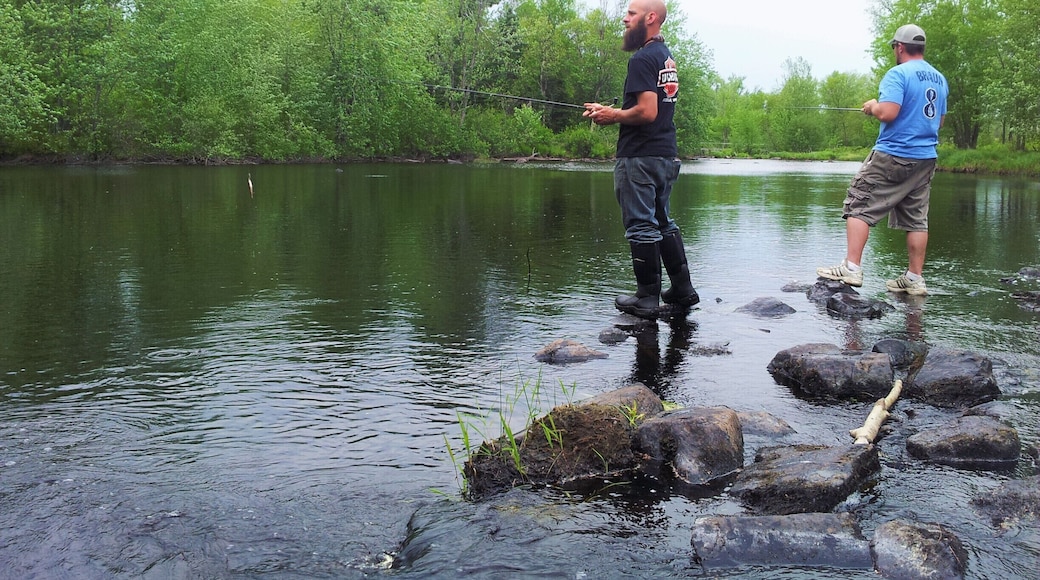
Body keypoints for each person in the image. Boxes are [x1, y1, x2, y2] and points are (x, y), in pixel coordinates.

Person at [583, 0, 698, 319]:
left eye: (631, 14)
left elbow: (648, 111)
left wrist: (612, 115)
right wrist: (612, 110)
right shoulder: (665, 57)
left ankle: (647, 298)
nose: (625, 19)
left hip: (640, 157)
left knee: (641, 226)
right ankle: (682, 289)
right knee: (662, 221)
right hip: (665, 154)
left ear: (650, 18)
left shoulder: (643, 59)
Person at [817, 24, 948, 296]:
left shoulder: (897, 73)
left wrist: (872, 106)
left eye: (894, 48)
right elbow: (940, 120)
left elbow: (887, 113)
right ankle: (914, 278)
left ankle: (851, 268)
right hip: (925, 158)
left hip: (894, 154)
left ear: (899, 47)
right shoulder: (939, 79)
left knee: (858, 202)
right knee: (916, 218)